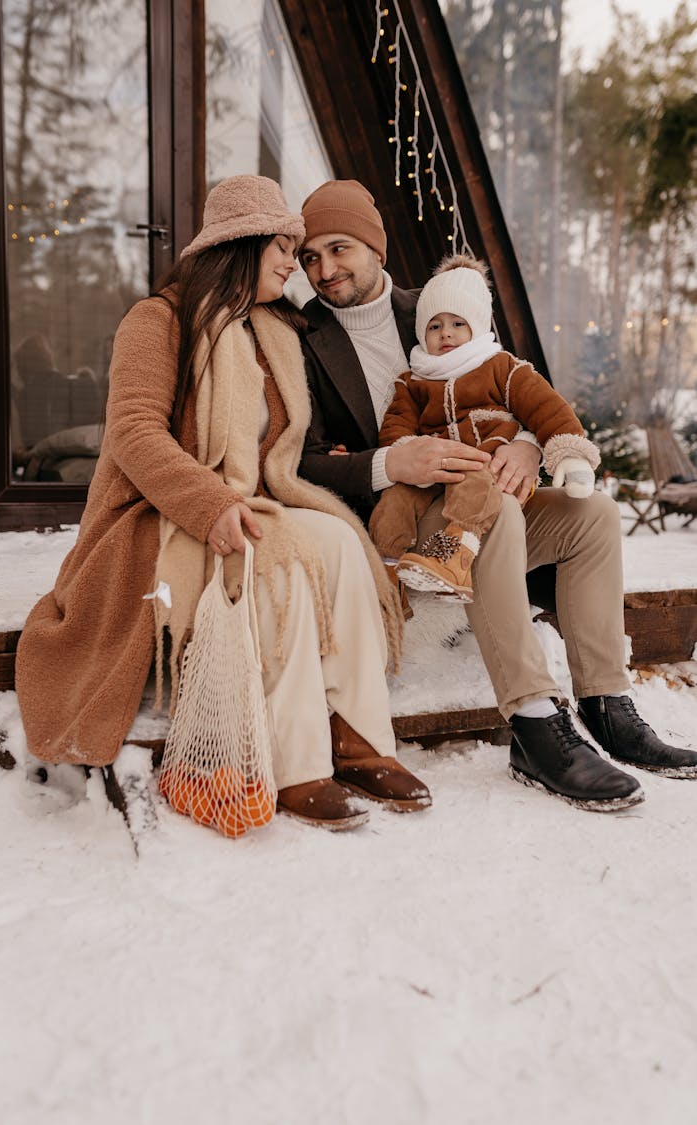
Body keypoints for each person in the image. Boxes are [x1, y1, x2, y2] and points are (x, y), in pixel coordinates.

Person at [15, 174, 431, 833]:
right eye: (285, 245)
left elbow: (278, 452)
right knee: (283, 560)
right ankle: (298, 764)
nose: (296, 261)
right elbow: (133, 433)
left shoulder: (271, 332)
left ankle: (359, 739)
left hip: (252, 505)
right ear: (244, 244)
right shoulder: (156, 323)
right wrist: (210, 505)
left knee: (343, 544)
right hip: (161, 519)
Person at [297, 178, 697, 811]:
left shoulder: (439, 305)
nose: (325, 269)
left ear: (375, 247)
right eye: (310, 257)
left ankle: (608, 704)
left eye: (339, 249)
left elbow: (518, 391)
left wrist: (530, 449)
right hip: (401, 513)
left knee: (591, 513)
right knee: (499, 513)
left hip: (486, 485)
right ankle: (536, 723)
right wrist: (389, 461)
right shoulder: (301, 338)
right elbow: (301, 461)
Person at [369, 253, 599, 601]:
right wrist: (405, 454)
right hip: (434, 473)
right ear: (421, 332)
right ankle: (388, 576)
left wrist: (571, 455)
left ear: (476, 326)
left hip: (487, 465)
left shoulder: (500, 367)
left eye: (457, 323)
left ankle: (454, 555)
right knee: (393, 502)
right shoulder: (413, 380)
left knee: (474, 482)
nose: (446, 333)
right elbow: (396, 425)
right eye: (435, 325)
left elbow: (545, 406)